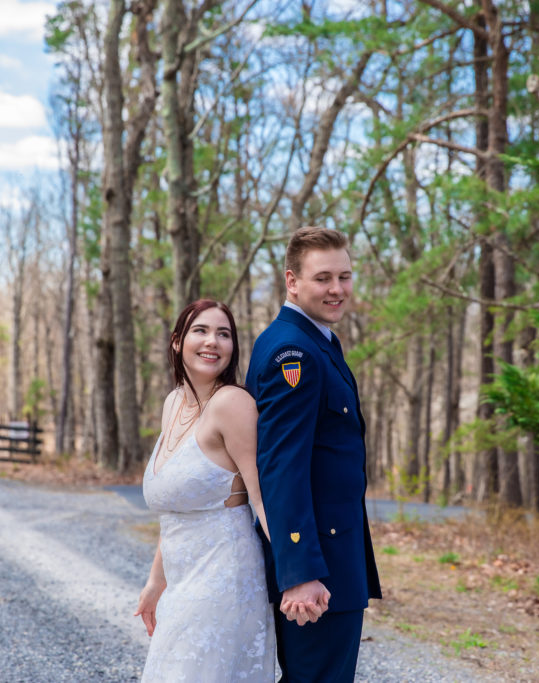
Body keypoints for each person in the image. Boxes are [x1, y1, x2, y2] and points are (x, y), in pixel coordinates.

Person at [246, 226, 382, 682]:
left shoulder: (316, 340)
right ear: (292, 281)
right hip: (317, 570)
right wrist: (300, 571)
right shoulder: (294, 353)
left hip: (331, 561)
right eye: (323, 278)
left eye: (345, 277)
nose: (338, 289)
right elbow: (282, 467)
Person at [135, 299, 275, 681]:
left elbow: (263, 499)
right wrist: (155, 581)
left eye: (224, 333)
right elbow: (176, 509)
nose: (213, 341)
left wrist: (300, 576)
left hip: (224, 581)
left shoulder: (233, 403)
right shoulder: (173, 402)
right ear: (177, 342)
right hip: (182, 582)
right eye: (201, 330)